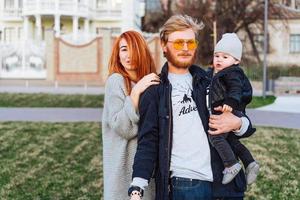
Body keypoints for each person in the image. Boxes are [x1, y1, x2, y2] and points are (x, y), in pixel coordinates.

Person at [128, 15, 255, 200]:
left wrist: (237, 123)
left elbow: (244, 123)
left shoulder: (210, 80)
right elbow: (148, 141)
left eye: (191, 43)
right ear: (164, 45)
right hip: (187, 185)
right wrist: (137, 187)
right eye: (179, 43)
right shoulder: (154, 90)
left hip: (227, 184)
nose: (186, 48)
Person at [102, 30, 159, 200]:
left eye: (133, 48)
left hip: (146, 172)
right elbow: (123, 127)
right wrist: (135, 93)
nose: (128, 55)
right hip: (123, 175)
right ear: (118, 54)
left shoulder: (151, 83)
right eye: (124, 49)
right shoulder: (116, 81)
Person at [207, 33, 260, 185]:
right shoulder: (216, 73)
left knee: (215, 136)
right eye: (217, 56)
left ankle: (231, 164)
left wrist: (230, 101)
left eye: (225, 57)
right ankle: (250, 163)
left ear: (236, 60)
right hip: (227, 109)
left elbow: (236, 88)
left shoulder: (232, 72)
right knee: (231, 140)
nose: (219, 59)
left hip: (229, 110)